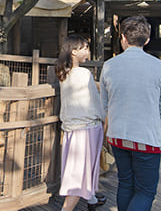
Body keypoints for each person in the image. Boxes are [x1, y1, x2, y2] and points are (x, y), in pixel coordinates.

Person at [100, 16, 161, 211]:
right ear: (147, 39)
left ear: (123, 38)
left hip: (117, 135)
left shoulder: (109, 66)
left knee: (125, 182)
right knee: (145, 190)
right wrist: (151, 123)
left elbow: (104, 106)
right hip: (147, 137)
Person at [56, 35, 108, 211]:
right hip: (87, 128)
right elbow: (95, 101)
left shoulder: (65, 73)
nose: (88, 51)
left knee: (79, 167)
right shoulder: (83, 73)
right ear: (74, 51)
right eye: (84, 48)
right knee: (81, 171)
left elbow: (92, 86)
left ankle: (92, 198)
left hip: (72, 128)